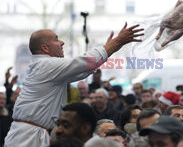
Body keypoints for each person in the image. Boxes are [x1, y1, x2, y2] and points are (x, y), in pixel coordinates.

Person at [4, 23, 144, 147]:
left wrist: (107, 50)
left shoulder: (46, 66)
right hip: (27, 138)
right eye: (56, 39)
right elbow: (86, 62)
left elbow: (84, 70)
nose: (62, 42)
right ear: (45, 48)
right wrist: (117, 43)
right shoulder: (46, 64)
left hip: (31, 134)